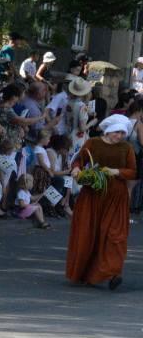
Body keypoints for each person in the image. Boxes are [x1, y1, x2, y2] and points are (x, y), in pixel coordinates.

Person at [66, 115, 135, 290]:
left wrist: (116, 172)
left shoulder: (126, 148)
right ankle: (84, 273)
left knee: (115, 236)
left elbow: (132, 172)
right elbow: (80, 159)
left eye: (122, 133)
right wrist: (75, 169)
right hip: (93, 195)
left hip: (116, 199)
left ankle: (112, 274)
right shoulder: (94, 143)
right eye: (116, 132)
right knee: (89, 234)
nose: (119, 136)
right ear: (108, 130)